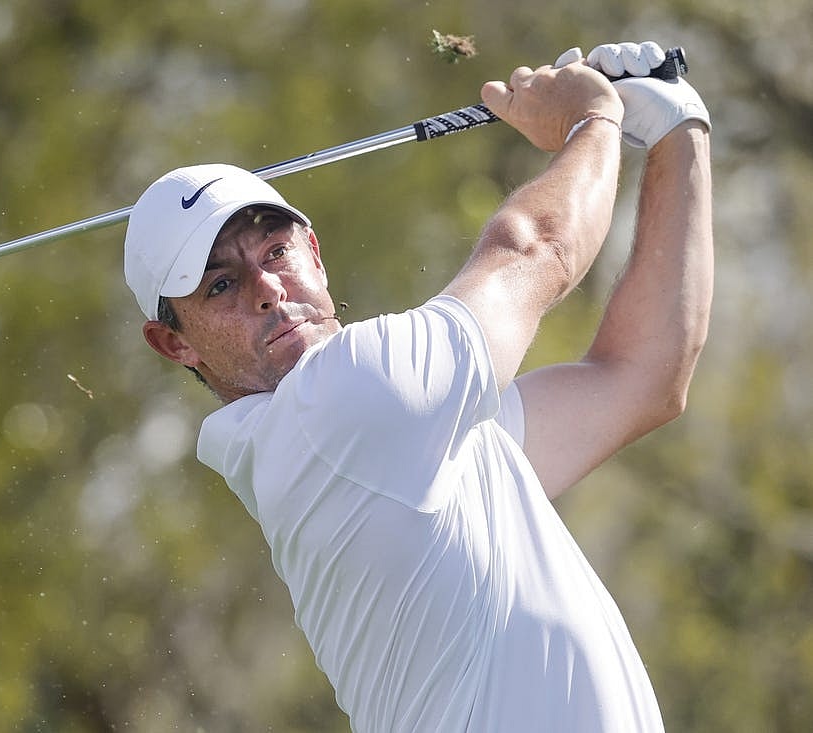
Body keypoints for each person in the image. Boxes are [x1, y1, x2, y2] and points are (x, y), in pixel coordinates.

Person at [123, 40, 712, 732]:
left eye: (275, 250)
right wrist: (592, 119)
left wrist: (678, 129)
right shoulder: (339, 405)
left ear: (312, 252)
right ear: (174, 342)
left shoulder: (402, 442)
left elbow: (642, 376)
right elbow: (537, 247)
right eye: (221, 283)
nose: (267, 290)